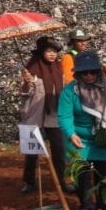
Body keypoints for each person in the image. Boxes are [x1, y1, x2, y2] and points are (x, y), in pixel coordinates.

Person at [58, 50, 106, 210]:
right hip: (80, 138)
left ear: (98, 71)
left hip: (103, 136)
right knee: (83, 172)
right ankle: (86, 205)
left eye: (92, 71)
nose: (88, 75)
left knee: (105, 172)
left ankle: (104, 204)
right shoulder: (70, 91)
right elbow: (64, 116)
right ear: (78, 73)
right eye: (84, 72)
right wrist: (71, 134)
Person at [19, 35, 67, 194]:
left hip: (54, 113)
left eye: (55, 51)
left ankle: (62, 181)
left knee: (59, 149)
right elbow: (25, 93)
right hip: (34, 115)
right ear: (41, 52)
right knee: (32, 152)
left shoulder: (58, 68)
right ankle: (29, 181)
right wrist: (27, 82)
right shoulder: (31, 69)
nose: (53, 54)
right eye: (49, 51)